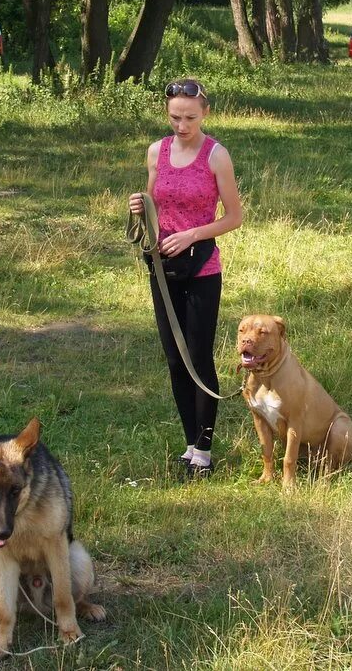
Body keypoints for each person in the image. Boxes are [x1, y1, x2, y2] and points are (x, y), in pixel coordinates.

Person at [128, 79, 243, 478]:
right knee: (175, 358)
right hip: (162, 268)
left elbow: (234, 216)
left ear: (205, 112)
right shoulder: (156, 152)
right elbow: (152, 201)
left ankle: (206, 450)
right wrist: (141, 206)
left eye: (190, 117)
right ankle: (190, 443)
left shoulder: (216, 156)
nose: (182, 125)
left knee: (198, 356)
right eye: (175, 117)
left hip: (201, 268)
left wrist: (193, 233)